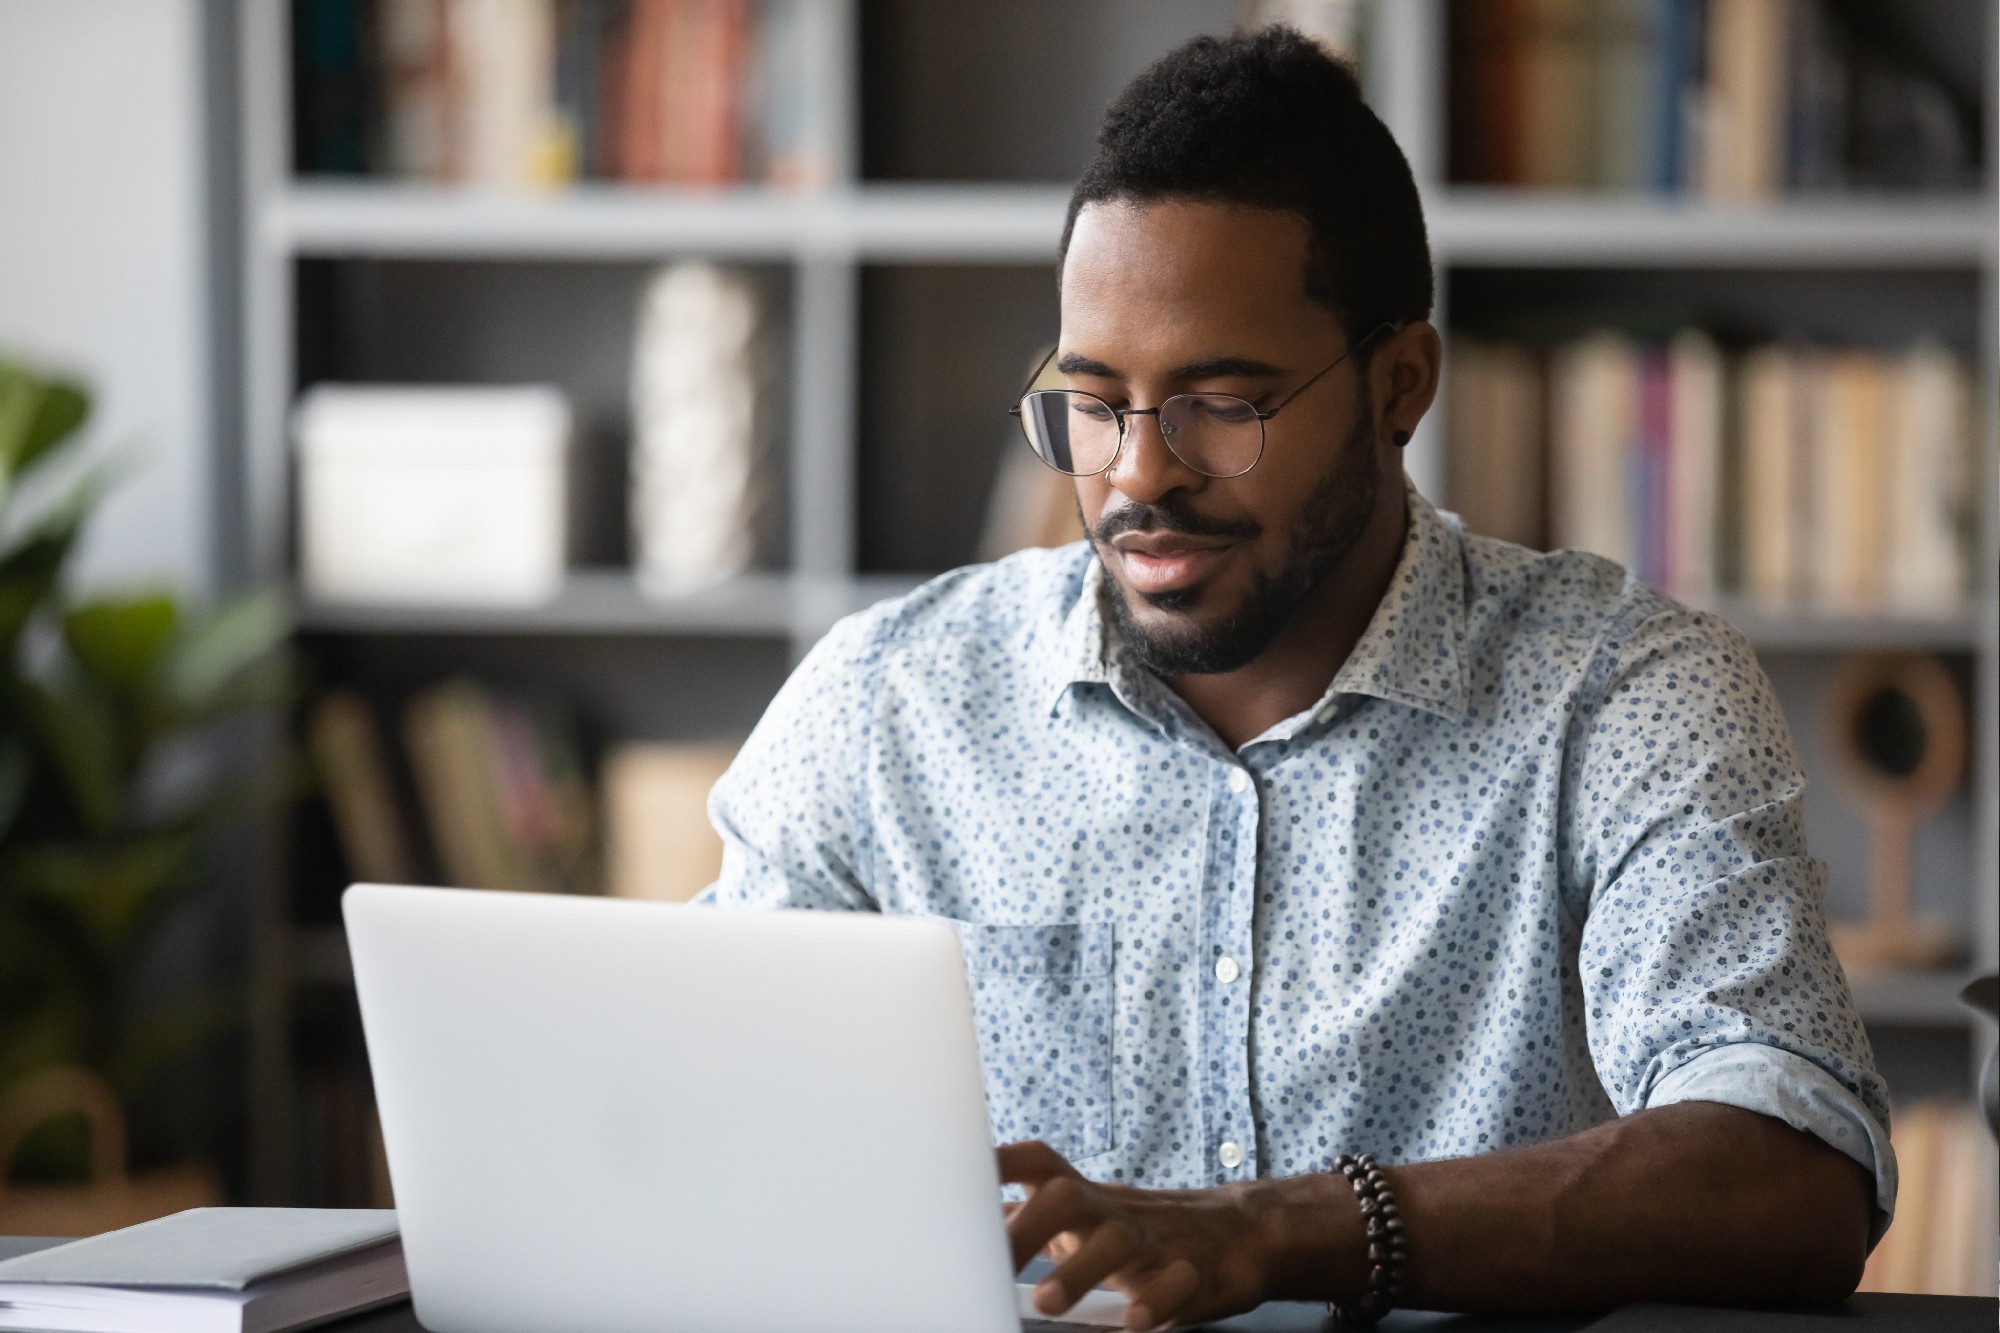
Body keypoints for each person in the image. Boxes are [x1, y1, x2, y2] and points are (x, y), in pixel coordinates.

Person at [701, 26, 1890, 1325]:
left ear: (1400, 384)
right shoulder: (888, 702)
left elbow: (1791, 1168)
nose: (1139, 474)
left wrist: (1288, 1229)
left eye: (1223, 403)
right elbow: (683, 1103)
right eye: (1094, 402)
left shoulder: (1622, 695)